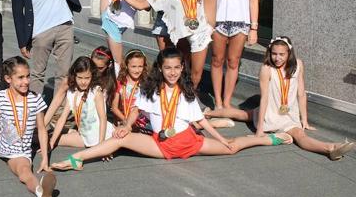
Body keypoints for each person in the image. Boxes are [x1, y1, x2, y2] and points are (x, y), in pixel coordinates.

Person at [51, 48, 292, 170]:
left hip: (189, 141)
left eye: (177, 67)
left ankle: (268, 139)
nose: (173, 72)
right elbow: (136, 110)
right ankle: (77, 159)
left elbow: (202, 122)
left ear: (181, 68)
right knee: (119, 139)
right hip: (160, 144)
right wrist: (125, 126)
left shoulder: (186, 92)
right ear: (160, 69)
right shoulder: (150, 90)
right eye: (168, 68)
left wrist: (221, 139)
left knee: (233, 147)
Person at [203, 37, 355, 160]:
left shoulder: (298, 65)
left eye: (281, 54)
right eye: (274, 54)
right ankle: (208, 114)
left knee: (300, 135)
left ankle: (330, 148)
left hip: (289, 115)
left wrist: (305, 120)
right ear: (270, 52)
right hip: (270, 114)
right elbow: (264, 99)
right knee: (242, 114)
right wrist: (260, 130)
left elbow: (301, 93)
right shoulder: (266, 69)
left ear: (289, 53)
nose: (277, 58)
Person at [0, 56, 57, 197]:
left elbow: (41, 129)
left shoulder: (36, 98)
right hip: (0, 144)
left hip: (19, 152)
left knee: (24, 171)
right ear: (8, 78)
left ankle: (41, 192)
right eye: (20, 77)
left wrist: (45, 159)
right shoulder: (0, 97)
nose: (26, 81)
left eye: (28, 76)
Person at [145, 0, 223, 89]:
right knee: (175, 69)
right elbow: (144, 4)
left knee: (196, 73)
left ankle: (190, 97)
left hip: (199, 32)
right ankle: (173, 95)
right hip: (179, 32)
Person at [210, 0, 261, 109]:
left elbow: (253, 0)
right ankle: (217, 101)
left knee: (233, 62)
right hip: (219, 22)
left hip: (241, 24)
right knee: (217, 60)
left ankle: (227, 101)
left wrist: (254, 28)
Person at [49, 57, 114, 150]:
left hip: (102, 137)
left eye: (87, 78)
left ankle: (71, 132)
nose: (83, 82)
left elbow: (103, 118)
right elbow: (63, 118)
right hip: (84, 137)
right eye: (79, 77)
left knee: (79, 158)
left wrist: (101, 145)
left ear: (92, 76)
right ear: (74, 76)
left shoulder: (96, 91)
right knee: (49, 139)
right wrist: (51, 142)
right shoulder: (71, 92)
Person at [110, 50, 151, 134]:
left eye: (140, 66)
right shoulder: (120, 82)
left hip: (141, 123)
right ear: (126, 66)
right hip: (123, 119)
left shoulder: (146, 83)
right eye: (133, 66)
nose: (137, 70)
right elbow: (114, 107)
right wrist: (126, 121)